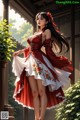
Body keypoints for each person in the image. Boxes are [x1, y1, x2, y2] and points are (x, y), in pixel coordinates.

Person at [12, 12, 73, 120]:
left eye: (41, 19)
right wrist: (20, 51)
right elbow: (30, 48)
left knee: (41, 91)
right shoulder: (36, 32)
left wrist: (57, 61)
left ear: (47, 21)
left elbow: (48, 49)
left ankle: (41, 118)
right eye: (37, 19)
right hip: (30, 62)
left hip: (39, 62)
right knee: (34, 92)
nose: (38, 21)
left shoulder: (47, 31)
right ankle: (36, 118)